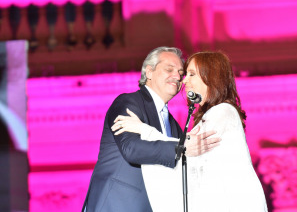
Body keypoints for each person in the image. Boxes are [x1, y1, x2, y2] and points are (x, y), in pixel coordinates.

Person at [113, 51, 268, 211]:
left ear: (211, 76)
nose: (184, 80)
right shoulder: (211, 115)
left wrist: (143, 130)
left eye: (192, 74)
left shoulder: (223, 111)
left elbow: (188, 152)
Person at [82, 47, 220, 212]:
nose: (177, 77)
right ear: (149, 72)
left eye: (180, 73)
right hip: (117, 205)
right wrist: (182, 148)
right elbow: (131, 149)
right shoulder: (128, 102)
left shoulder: (174, 126)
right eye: (169, 69)